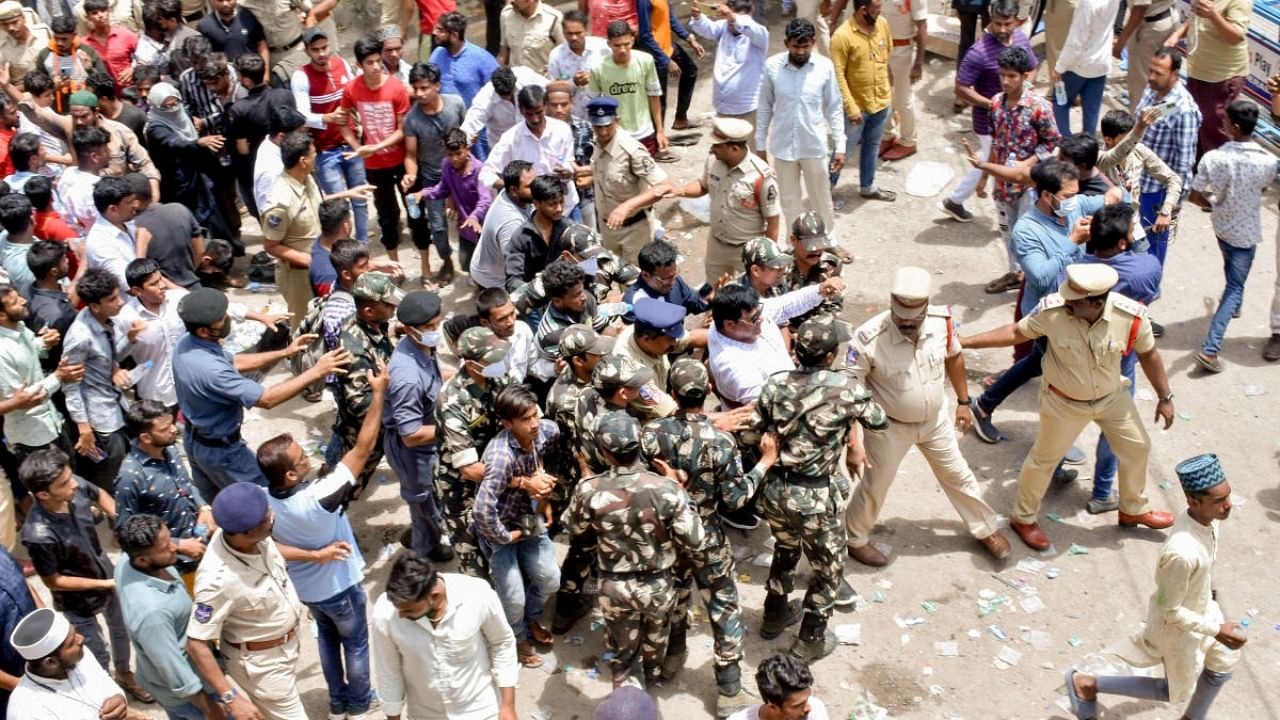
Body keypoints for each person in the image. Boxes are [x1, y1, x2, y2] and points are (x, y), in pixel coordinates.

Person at [961, 264, 1177, 550]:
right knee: (1043, 461)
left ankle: (1133, 509)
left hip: (1112, 397)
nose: (1067, 302)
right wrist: (965, 343)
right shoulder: (1053, 312)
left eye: (1075, 300)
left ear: (1096, 303)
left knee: (1137, 447)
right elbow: (1015, 332)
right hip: (1063, 402)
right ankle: (1023, 519)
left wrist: (1165, 397)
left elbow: (1149, 355)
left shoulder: (1131, 316)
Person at [845, 267, 1010, 566]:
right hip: (888, 427)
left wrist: (963, 401)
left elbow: (954, 356)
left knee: (958, 474)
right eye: (900, 319)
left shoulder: (941, 322)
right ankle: (854, 538)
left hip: (935, 422)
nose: (906, 324)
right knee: (876, 484)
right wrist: (853, 442)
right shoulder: (868, 339)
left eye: (913, 320)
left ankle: (986, 530)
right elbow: (848, 394)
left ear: (925, 309)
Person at [639, 358, 776, 716]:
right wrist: (764, 463)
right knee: (723, 603)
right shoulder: (722, 441)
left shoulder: (652, 434)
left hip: (667, 534)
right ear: (709, 391)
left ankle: (671, 659)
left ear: (672, 393)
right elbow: (734, 499)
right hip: (707, 534)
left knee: (675, 596)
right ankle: (729, 687)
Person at [745, 319, 887, 660]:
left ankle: (773, 616)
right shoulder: (846, 388)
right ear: (831, 356)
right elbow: (879, 419)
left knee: (786, 548)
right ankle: (810, 638)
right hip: (815, 498)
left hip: (775, 491)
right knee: (828, 569)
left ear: (796, 351)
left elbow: (753, 433)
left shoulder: (775, 385)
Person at [1067, 453, 1243, 720]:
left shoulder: (1208, 522)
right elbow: (1170, 610)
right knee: (1174, 691)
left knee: (1224, 660)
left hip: (1204, 612)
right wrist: (1215, 630)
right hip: (1177, 628)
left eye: (1227, 496)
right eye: (1219, 500)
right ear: (1193, 501)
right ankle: (1087, 683)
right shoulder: (1182, 553)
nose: (1228, 505)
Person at [260, 359, 386, 720]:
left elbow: (268, 547)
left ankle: (337, 702)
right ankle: (360, 704)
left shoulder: (263, 501)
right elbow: (363, 447)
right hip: (340, 585)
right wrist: (378, 395)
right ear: (288, 473)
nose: (307, 458)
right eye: (300, 458)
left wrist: (311, 556)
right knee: (357, 644)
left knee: (327, 642)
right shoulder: (321, 496)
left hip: (307, 591)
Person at [564, 410, 704, 687]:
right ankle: (650, 679)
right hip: (658, 587)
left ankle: (628, 695)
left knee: (623, 655)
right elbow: (695, 538)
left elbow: (575, 529)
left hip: (614, 587)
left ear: (604, 451)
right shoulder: (667, 489)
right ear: (638, 444)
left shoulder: (589, 489)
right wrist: (680, 491)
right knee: (655, 643)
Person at [172, 287, 352, 495]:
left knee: (219, 502)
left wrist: (285, 352)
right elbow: (266, 399)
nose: (227, 320)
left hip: (197, 440)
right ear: (204, 330)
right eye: (221, 319)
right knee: (267, 499)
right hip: (222, 451)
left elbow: (235, 361)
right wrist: (317, 371)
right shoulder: (210, 371)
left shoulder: (187, 344)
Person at [18, 447, 155, 702]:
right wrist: (105, 583)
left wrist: (122, 521)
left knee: (122, 630)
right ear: (43, 494)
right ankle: (103, 696)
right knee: (93, 653)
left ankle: (125, 674)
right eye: (64, 483)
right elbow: (54, 581)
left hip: (107, 578)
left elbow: (98, 493)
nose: (74, 485)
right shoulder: (38, 534)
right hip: (78, 602)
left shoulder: (73, 486)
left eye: (71, 477)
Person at [184, 482, 304, 720]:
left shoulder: (249, 534)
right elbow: (196, 643)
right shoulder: (216, 581)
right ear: (247, 532)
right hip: (263, 665)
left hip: (285, 647)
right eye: (267, 517)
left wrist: (316, 555)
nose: (273, 516)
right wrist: (231, 697)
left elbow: (272, 552)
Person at [1078, 204, 1162, 513]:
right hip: (1119, 362)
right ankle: (1102, 492)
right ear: (1124, 242)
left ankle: (1055, 471)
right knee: (1113, 429)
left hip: (1072, 359)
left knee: (1063, 421)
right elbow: (1150, 273)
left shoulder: (1072, 269)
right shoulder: (1146, 269)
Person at [370, 550, 518, 720]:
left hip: (480, 710)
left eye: (409, 610)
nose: (401, 615)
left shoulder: (477, 594)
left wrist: (508, 706)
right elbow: (388, 672)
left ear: (434, 596)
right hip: (424, 714)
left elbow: (502, 643)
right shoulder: (385, 612)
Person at [472, 385, 561, 668]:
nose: (534, 424)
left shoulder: (547, 431)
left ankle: (532, 619)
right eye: (525, 420)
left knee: (550, 578)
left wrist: (544, 494)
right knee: (513, 596)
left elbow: (550, 455)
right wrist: (504, 536)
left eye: (535, 415)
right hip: (501, 525)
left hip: (529, 519)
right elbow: (482, 510)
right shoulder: (500, 457)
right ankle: (518, 637)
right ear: (507, 424)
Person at [1186, 101, 1277, 374]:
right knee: (1235, 285)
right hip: (1246, 233)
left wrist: (1213, 204)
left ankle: (1234, 305)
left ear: (1234, 128)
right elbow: (1265, 185)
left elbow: (1194, 193)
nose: (1221, 123)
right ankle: (1210, 350)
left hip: (1221, 226)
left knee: (1232, 272)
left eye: (1225, 121)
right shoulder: (1268, 161)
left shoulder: (1213, 158)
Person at [114, 514, 221, 719]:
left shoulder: (128, 560)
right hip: (192, 695)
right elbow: (173, 669)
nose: (174, 547)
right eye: (166, 548)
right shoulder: (152, 612)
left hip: (169, 683)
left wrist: (178, 544)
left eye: (170, 539)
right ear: (143, 560)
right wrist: (210, 708)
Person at [938, 0, 1034, 224]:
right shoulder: (978, 52)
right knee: (997, 162)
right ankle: (1005, 214)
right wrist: (994, 105)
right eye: (997, 23)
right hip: (988, 121)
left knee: (989, 159)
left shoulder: (1020, 39)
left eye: (1007, 24)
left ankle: (955, 201)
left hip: (1014, 118)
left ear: (1016, 21)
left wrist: (1027, 87)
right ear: (990, 19)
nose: (1002, 29)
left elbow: (1031, 66)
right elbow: (961, 89)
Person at [975, 46, 1059, 294]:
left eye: (1012, 76)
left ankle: (1034, 280)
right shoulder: (996, 104)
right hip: (1002, 182)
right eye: (1002, 75)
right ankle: (1015, 274)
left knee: (1028, 233)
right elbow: (996, 143)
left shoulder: (1039, 107)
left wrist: (1028, 163)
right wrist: (983, 178)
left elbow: (1052, 141)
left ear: (1025, 76)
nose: (1006, 81)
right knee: (1007, 230)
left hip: (1030, 185)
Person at [434, 326, 511, 580]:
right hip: (461, 489)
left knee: (507, 549)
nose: (498, 364)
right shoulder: (452, 400)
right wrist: (520, 480)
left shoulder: (500, 379)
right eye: (490, 360)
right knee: (473, 561)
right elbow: (469, 469)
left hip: (497, 475)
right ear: (470, 364)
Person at [756, 18, 845, 232]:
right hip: (783, 148)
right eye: (796, 46)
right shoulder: (772, 67)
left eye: (806, 46)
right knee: (789, 201)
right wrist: (760, 146)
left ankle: (827, 242)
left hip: (813, 146)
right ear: (787, 43)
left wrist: (840, 145)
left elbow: (834, 107)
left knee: (821, 200)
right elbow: (764, 106)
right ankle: (796, 248)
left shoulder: (824, 67)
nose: (801, 52)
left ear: (813, 42)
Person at [667, 117, 780, 283]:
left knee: (749, 298)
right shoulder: (713, 161)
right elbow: (703, 185)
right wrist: (680, 190)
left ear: (734, 149)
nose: (712, 149)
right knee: (715, 292)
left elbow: (773, 222)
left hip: (747, 248)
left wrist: (766, 258)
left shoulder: (761, 176)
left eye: (717, 146)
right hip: (717, 245)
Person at [384, 290, 451, 562]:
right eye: (428, 327)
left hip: (427, 438)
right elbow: (410, 435)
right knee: (424, 505)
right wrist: (453, 430)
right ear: (410, 330)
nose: (435, 331)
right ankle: (424, 554)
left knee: (431, 502)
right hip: (413, 452)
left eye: (437, 323)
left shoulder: (422, 346)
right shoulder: (407, 376)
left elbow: (434, 378)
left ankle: (424, 536)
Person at [113, 399, 212, 583]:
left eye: (172, 424)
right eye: (165, 429)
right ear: (146, 438)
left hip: (201, 546)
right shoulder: (130, 477)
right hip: (175, 567)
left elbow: (185, 484)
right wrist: (178, 545)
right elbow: (125, 535)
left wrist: (203, 507)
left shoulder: (169, 448)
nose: (174, 429)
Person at [63, 267, 141, 491]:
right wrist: (84, 427)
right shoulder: (80, 336)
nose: (120, 302)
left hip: (116, 404)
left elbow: (107, 358)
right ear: (95, 305)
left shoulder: (106, 320)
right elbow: (71, 385)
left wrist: (130, 339)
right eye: (112, 299)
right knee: (110, 470)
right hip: (100, 417)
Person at [707, 279, 845, 406]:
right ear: (730, 325)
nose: (761, 318)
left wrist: (820, 290)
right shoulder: (733, 366)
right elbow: (764, 407)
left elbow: (785, 306)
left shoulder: (744, 315)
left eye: (760, 311)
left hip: (789, 385)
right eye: (754, 318)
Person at [292, 28, 369, 245]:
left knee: (361, 199)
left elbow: (356, 92)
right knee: (338, 205)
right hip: (326, 150)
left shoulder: (342, 64)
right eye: (315, 50)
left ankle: (362, 245)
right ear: (307, 51)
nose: (321, 53)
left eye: (324, 47)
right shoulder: (301, 76)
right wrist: (328, 118)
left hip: (351, 144)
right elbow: (302, 115)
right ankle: (343, 249)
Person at [329, 271, 400, 493]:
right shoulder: (355, 350)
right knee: (347, 486)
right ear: (369, 311)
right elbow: (360, 405)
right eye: (388, 305)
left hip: (380, 423)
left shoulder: (374, 324)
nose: (393, 308)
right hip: (364, 431)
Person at [341, 35, 411, 261]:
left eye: (377, 61)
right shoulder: (351, 89)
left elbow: (403, 129)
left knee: (414, 210)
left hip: (400, 160)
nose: (375, 67)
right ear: (358, 65)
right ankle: (394, 263)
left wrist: (375, 146)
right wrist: (358, 147)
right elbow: (342, 123)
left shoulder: (396, 87)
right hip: (374, 165)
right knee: (386, 215)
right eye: (368, 63)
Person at [1133, 48, 1202, 269]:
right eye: (1151, 70)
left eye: (1159, 73)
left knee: (1152, 248)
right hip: (1135, 182)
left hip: (1156, 193)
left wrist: (1171, 206)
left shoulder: (1183, 110)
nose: (1151, 77)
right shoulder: (1152, 90)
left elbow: (1184, 163)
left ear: (1175, 73)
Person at [144, 82, 235, 243]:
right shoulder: (156, 127)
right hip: (178, 182)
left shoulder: (183, 113)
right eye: (166, 106)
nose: (173, 109)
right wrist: (198, 143)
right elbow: (174, 142)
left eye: (175, 103)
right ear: (157, 107)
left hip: (198, 174)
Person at [401, 61, 465, 286]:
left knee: (472, 218)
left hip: (461, 173)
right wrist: (410, 175)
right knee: (437, 227)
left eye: (424, 87)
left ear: (437, 85)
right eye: (415, 88)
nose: (419, 93)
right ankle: (447, 261)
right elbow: (410, 155)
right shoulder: (412, 119)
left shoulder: (455, 104)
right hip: (432, 178)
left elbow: (467, 139)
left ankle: (476, 263)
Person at [6, 607, 130, 720]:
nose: (81, 639)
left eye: (75, 632)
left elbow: (103, 679)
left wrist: (118, 697)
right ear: (50, 662)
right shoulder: (25, 711)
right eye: (71, 643)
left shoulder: (78, 654)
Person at [1164, 0, 1250, 160]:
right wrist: (1178, 34)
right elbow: (1197, 18)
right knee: (1195, 124)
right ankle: (1195, 173)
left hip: (1221, 78)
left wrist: (1213, 15)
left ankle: (1215, 177)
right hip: (1198, 72)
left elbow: (1236, 36)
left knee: (1215, 133)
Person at [481, 84, 579, 223]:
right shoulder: (511, 139)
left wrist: (567, 172)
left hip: (566, 208)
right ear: (520, 110)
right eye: (529, 114)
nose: (535, 119)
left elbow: (569, 161)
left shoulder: (562, 130)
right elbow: (486, 175)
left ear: (545, 105)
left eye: (538, 112)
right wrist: (514, 188)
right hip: (534, 217)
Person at [587, 97, 669, 261]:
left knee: (636, 281)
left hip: (635, 230)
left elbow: (665, 186)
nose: (603, 132)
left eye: (607, 126)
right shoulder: (597, 143)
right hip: (607, 228)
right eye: (598, 126)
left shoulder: (632, 150)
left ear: (616, 121)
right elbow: (607, 171)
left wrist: (627, 207)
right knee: (616, 275)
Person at [828, 0, 895, 202]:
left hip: (881, 102)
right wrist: (851, 107)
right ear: (863, 10)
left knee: (872, 146)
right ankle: (824, 190)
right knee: (843, 151)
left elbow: (887, 58)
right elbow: (838, 76)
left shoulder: (882, 24)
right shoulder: (842, 36)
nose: (880, 11)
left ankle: (868, 186)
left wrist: (889, 94)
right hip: (856, 109)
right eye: (876, 8)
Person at [688, 0, 768, 150]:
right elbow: (708, 28)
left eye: (737, 19)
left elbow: (749, 27)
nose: (733, 24)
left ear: (749, 15)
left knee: (749, 153)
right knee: (722, 151)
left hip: (747, 109)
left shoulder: (759, 35)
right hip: (723, 107)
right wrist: (698, 17)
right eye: (730, 20)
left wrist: (732, 17)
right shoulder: (724, 27)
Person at [589, 21, 666, 156]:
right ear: (609, 44)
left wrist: (660, 131)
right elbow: (593, 105)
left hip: (644, 133)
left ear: (632, 40)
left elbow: (654, 97)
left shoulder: (646, 61)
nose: (623, 49)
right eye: (617, 45)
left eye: (626, 44)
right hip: (615, 136)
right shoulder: (598, 68)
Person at [420, 128, 491, 274]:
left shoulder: (479, 169)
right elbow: (443, 188)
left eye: (458, 153)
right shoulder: (447, 165)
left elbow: (485, 200)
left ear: (467, 148)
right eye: (450, 155)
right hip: (465, 227)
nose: (455, 159)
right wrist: (424, 193)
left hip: (483, 227)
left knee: (488, 266)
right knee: (466, 264)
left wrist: (474, 216)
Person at [1052, 0, 1119, 136]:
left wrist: (1060, 67)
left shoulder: (1087, 4)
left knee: (1060, 103)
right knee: (1091, 112)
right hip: (1101, 64)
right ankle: (1088, 147)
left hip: (1078, 65)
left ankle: (1066, 143)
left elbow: (1075, 42)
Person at [460, 66, 549, 166]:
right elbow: (469, 126)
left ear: (515, 81)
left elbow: (551, 89)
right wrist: (465, 142)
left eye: (510, 94)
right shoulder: (485, 99)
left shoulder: (526, 77)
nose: (508, 98)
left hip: (534, 141)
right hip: (504, 150)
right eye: (503, 96)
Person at [472, 159, 532, 289]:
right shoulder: (511, 223)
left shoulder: (509, 195)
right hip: (493, 280)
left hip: (487, 264)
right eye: (529, 186)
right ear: (514, 190)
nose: (536, 187)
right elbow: (515, 265)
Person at [505, 174, 571, 293]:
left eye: (561, 202)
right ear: (536, 203)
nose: (559, 208)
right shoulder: (521, 237)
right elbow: (513, 281)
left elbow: (590, 263)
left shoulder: (569, 228)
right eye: (552, 204)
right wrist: (536, 291)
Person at [33, 15, 108, 113]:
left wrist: (90, 69)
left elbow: (106, 84)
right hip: (59, 112)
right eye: (56, 38)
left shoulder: (87, 52)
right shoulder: (45, 55)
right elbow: (37, 89)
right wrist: (53, 87)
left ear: (74, 35)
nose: (59, 43)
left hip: (86, 109)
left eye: (64, 39)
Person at [428, 11, 500, 109]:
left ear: (454, 36)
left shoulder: (482, 59)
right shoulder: (437, 54)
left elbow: (498, 91)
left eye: (440, 30)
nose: (434, 33)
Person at [1114, 0, 1178, 110]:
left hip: (1151, 26)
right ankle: (1166, 115)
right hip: (1167, 16)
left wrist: (1121, 43)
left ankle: (1141, 123)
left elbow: (1140, 8)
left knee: (1140, 84)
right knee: (1163, 78)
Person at [546, 10, 609, 120]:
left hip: (603, 114)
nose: (574, 38)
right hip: (574, 118)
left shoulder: (603, 48)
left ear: (586, 30)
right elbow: (553, 90)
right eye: (569, 33)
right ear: (563, 32)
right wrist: (573, 82)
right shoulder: (556, 55)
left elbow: (617, 76)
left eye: (578, 33)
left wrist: (595, 78)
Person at [727, 654, 831, 720]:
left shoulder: (816, 709)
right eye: (797, 706)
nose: (808, 708)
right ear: (772, 706)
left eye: (807, 699)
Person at [0, 544, 39, 716]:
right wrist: (27, 688)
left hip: (39, 662)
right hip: (10, 691)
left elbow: (25, 584)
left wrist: (48, 617)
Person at [83, 176, 140, 294]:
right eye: (129, 202)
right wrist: (142, 246)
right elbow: (134, 287)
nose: (136, 205)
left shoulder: (127, 222)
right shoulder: (101, 244)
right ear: (113, 209)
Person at [500, 0, 564, 74]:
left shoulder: (554, 18)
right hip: (517, 81)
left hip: (544, 80)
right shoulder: (506, 15)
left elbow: (566, 54)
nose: (511, 1)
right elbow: (503, 53)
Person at [197, 0, 269, 64]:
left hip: (252, 73)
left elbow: (261, 45)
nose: (225, 3)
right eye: (220, 0)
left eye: (228, 0)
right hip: (225, 76)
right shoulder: (204, 25)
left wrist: (265, 75)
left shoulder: (248, 17)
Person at [0, 1, 50, 88]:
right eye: (5, 25)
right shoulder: (3, 50)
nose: (10, 28)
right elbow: (4, 87)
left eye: (14, 22)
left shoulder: (43, 32)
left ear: (24, 18)